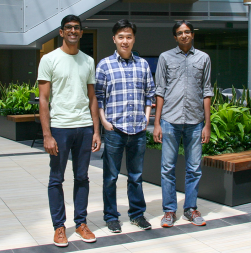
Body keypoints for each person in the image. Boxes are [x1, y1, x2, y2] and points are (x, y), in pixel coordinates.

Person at [37, 14, 101, 247]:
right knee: (56, 179)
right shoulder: (49, 59)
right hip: (60, 128)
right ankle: (59, 227)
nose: (73, 31)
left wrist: (96, 131)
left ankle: (81, 223)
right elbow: (43, 99)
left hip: (84, 127)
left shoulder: (88, 61)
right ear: (61, 32)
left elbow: (92, 97)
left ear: (81, 32)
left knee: (82, 177)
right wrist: (47, 134)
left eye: (77, 28)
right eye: (68, 28)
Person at [95, 19, 156, 233]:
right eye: (121, 36)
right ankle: (111, 216)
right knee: (110, 177)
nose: (125, 40)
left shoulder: (143, 64)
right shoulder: (104, 65)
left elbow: (150, 93)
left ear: (133, 39)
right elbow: (98, 97)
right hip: (114, 130)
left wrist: (146, 117)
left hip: (138, 129)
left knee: (136, 176)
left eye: (129, 36)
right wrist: (104, 121)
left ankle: (137, 214)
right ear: (114, 39)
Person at [153, 20, 213, 227]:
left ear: (193, 34)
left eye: (187, 32)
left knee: (194, 168)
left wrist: (207, 124)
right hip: (170, 119)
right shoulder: (165, 57)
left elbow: (207, 91)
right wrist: (157, 123)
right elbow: (159, 90)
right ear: (175, 36)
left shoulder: (204, 58)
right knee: (167, 168)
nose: (184, 35)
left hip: (196, 121)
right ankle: (169, 211)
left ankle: (190, 208)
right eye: (180, 32)